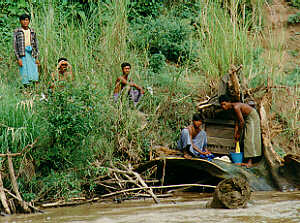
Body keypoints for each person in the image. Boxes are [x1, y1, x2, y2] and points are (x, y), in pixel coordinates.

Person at [219, 95, 262, 168]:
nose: (223, 106)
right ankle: (246, 161)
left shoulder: (236, 107)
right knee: (245, 138)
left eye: (224, 104)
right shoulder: (231, 109)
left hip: (252, 117)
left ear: (229, 102)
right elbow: (237, 121)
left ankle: (250, 162)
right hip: (246, 118)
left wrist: (239, 133)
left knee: (249, 138)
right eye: (221, 105)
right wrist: (236, 133)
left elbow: (241, 122)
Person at [13, 14, 39, 88]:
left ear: (29, 21)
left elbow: (36, 44)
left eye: (27, 20)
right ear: (20, 21)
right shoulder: (17, 31)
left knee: (33, 70)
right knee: (24, 71)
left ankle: (34, 88)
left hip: (32, 53)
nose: (25, 22)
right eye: (23, 20)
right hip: (22, 54)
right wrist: (18, 59)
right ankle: (26, 89)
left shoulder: (32, 31)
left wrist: (37, 57)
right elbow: (15, 46)